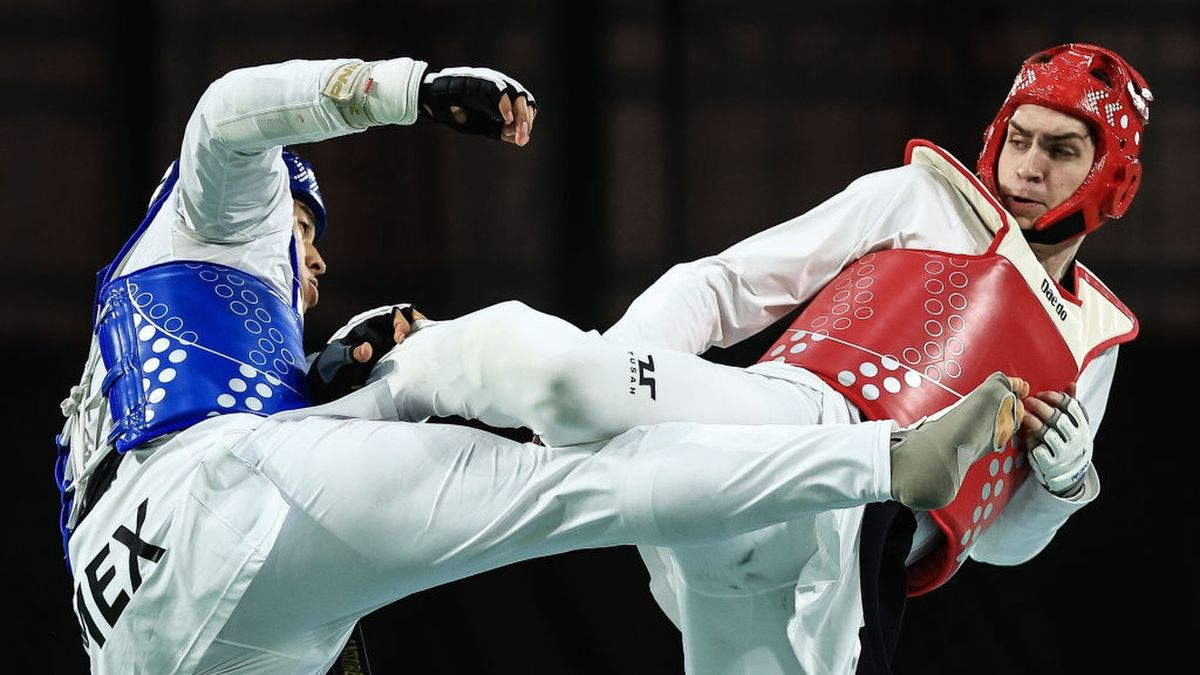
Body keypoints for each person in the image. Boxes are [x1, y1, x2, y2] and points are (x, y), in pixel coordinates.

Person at [52, 52, 1023, 675]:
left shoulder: (171, 346)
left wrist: (345, 371)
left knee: (407, 383)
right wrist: (414, 89)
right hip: (207, 503)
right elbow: (229, 110)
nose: (313, 264)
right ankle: (875, 462)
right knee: (559, 483)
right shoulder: (216, 217)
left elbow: (278, 425)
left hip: (142, 632)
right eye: (308, 235)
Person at [351, 42, 1150, 674]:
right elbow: (724, 284)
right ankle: (400, 378)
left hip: (846, 561)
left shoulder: (1093, 340)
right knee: (563, 374)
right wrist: (616, 375)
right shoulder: (922, 199)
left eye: (1063, 149)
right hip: (787, 426)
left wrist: (1066, 485)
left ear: (1111, 176)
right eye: (1019, 138)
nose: (1029, 165)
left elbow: (999, 543)